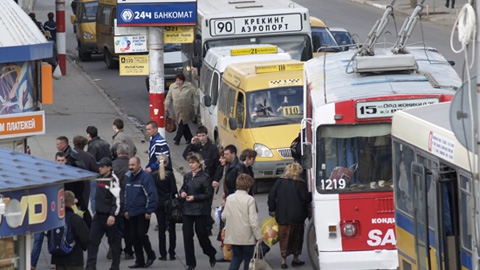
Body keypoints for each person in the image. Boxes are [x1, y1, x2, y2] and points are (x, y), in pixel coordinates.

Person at [268, 163, 312, 269]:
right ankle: (295, 258)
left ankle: (283, 261)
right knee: (297, 237)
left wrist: (272, 209)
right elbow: (305, 199)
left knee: (284, 237)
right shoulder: (300, 183)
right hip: (297, 216)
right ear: (298, 172)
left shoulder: (280, 181)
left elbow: (271, 195)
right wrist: (311, 194)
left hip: (282, 215)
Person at [182, 125, 223, 235]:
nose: (201, 138)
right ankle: (205, 224)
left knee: (207, 204)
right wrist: (191, 144)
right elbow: (185, 156)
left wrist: (216, 179)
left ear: (206, 135)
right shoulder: (196, 146)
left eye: (203, 135)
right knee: (199, 203)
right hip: (197, 181)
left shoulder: (213, 148)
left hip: (208, 180)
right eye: (199, 136)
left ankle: (207, 227)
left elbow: (218, 166)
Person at [31, 152, 68, 270]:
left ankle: (54, 262)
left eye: (62, 160)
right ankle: (32, 264)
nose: (61, 162)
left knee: (55, 237)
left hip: (55, 212)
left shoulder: (68, 174)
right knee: (38, 240)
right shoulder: (49, 176)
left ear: (65, 161)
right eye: (59, 160)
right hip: (44, 212)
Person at [180, 153, 217, 270]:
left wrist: (194, 197)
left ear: (199, 163)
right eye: (190, 163)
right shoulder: (187, 176)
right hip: (187, 210)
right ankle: (190, 263)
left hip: (200, 211)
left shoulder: (205, 177)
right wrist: (182, 193)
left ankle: (211, 252)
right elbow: (183, 187)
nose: (191, 165)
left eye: (193, 163)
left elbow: (208, 194)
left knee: (202, 235)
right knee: (187, 236)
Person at [86, 157, 122, 270]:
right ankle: (90, 266)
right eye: (99, 166)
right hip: (99, 215)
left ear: (109, 168)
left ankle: (115, 266)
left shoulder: (113, 180)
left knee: (114, 243)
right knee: (92, 240)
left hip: (109, 216)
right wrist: (96, 211)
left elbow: (117, 199)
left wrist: (113, 215)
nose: (100, 168)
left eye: (102, 166)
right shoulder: (100, 178)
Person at [222, 174, 262, 270]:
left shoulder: (230, 198)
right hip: (247, 236)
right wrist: (259, 236)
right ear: (249, 186)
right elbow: (253, 221)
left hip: (234, 234)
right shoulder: (250, 200)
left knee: (236, 258)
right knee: (248, 259)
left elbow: (223, 216)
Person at [125, 156, 158, 268]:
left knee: (141, 235)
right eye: (129, 165)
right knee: (133, 236)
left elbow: (152, 194)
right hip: (132, 211)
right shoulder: (129, 177)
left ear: (139, 164)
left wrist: (149, 211)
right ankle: (140, 260)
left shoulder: (146, 177)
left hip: (142, 211)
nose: (131, 167)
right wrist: (126, 209)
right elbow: (126, 194)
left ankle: (150, 255)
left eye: (133, 165)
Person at [50, 190, 90, 270]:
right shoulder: (76, 219)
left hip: (58, 259)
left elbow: (49, 236)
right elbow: (85, 239)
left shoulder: (56, 219)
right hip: (74, 259)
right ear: (73, 203)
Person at [152, 154, 178, 261]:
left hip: (159, 204)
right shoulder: (170, 174)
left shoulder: (154, 175)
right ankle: (172, 253)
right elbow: (174, 190)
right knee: (172, 229)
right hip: (169, 204)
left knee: (161, 230)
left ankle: (163, 254)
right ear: (167, 162)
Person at [112, 143, 135, 260]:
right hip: (129, 201)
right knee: (129, 228)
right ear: (128, 153)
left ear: (117, 153)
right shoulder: (132, 166)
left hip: (116, 201)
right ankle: (129, 251)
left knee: (116, 228)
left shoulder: (112, 166)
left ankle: (116, 249)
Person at [164, 72, 198, 145]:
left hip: (187, 108)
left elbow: (196, 92)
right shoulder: (172, 86)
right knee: (183, 124)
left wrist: (201, 89)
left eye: (180, 81)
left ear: (183, 80)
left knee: (182, 123)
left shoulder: (189, 85)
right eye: (177, 81)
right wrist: (166, 106)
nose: (178, 82)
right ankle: (189, 138)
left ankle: (177, 139)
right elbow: (168, 97)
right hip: (177, 108)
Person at [73, 135, 98, 226]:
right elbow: (95, 170)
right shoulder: (89, 156)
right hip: (84, 185)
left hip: (70, 184)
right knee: (83, 206)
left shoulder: (68, 155)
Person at [56, 136, 86, 209]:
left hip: (74, 192)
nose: (56, 146)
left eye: (57, 144)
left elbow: (81, 170)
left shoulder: (72, 155)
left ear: (63, 145)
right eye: (58, 161)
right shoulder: (66, 154)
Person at [86, 125, 111, 212]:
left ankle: (95, 213)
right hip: (107, 172)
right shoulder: (105, 143)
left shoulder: (92, 145)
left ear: (89, 135)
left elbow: (90, 160)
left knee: (94, 196)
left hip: (96, 173)